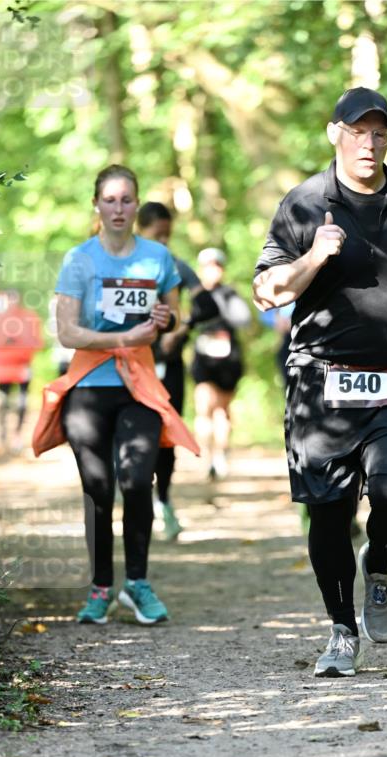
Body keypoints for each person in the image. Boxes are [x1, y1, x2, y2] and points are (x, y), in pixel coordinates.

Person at [253, 87, 387, 678]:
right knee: (329, 510)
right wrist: (314, 257)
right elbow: (266, 290)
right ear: (333, 133)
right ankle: (341, 629)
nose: (368, 143)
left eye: (378, 133)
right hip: (322, 383)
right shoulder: (304, 203)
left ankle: (381, 561)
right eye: (357, 131)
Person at [32, 164, 199, 625]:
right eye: (110, 200)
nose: (119, 208)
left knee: (136, 477)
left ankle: (138, 584)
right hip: (88, 387)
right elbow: (67, 332)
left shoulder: (157, 258)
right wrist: (122, 340)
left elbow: (175, 318)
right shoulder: (79, 260)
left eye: (127, 200)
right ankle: (100, 587)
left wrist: (167, 322)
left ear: (136, 204)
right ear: (97, 205)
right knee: (99, 488)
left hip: (140, 386)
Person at [137, 202, 219, 538]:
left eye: (168, 235)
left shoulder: (176, 265)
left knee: (167, 433)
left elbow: (207, 305)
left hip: (168, 362)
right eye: (158, 235)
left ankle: (164, 501)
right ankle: (135, 499)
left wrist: (181, 329)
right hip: (132, 362)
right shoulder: (125, 265)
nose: (164, 242)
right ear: (140, 231)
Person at [191, 248, 252, 480]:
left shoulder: (230, 294)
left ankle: (220, 455)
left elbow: (243, 320)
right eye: (208, 266)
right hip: (204, 361)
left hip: (228, 362)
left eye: (217, 266)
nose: (212, 270)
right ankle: (207, 456)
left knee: (222, 411)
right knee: (204, 407)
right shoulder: (196, 294)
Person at [0, 290, 43, 451]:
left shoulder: (28, 317)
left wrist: (17, 342)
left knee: (22, 403)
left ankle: (17, 435)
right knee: (2, 402)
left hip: (22, 368)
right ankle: (2, 435)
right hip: (2, 369)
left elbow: (36, 342)